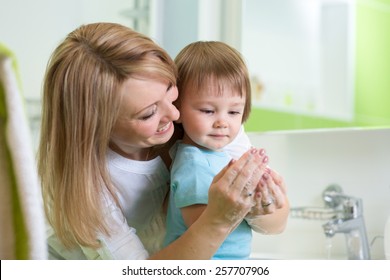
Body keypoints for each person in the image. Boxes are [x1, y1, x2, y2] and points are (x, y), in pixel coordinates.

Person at [38, 22, 288, 260]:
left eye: (171, 91)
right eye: (148, 113)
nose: (175, 114)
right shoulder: (90, 190)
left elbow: (277, 223)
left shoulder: (205, 118)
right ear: (97, 125)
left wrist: (261, 208)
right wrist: (219, 219)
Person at [163, 41, 288, 259]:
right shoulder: (193, 163)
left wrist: (261, 198)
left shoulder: (222, 156)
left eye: (233, 112)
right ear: (177, 109)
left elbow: (276, 223)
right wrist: (247, 201)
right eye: (208, 110)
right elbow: (202, 227)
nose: (222, 122)